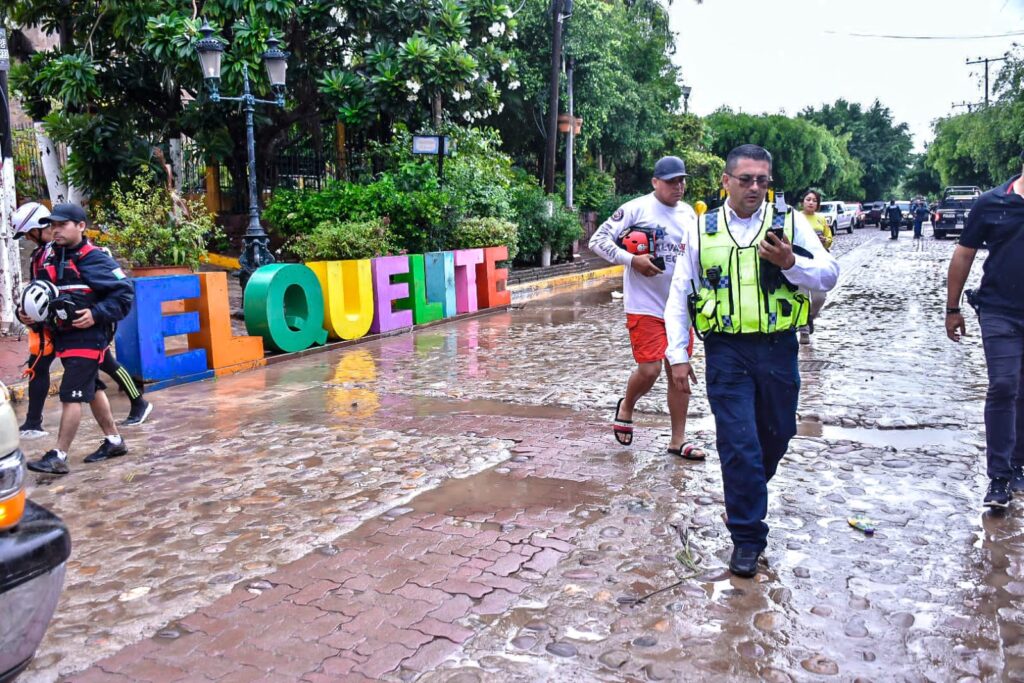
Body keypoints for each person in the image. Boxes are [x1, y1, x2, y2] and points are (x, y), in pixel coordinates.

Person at [663, 145, 840, 577]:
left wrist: (791, 262)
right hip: (726, 350)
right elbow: (679, 293)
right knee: (738, 442)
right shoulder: (702, 229)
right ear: (726, 181)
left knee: (778, 434)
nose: (755, 188)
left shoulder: (790, 223)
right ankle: (746, 536)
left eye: (762, 180)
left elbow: (830, 274)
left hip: (779, 348)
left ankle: (745, 495)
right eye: (746, 179)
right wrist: (678, 355)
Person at [589, 156, 705, 460]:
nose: (678, 186)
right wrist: (632, 261)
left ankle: (678, 440)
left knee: (678, 371)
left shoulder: (689, 215)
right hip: (644, 304)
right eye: (670, 181)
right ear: (655, 182)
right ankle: (627, 404)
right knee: (650, 367)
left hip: (679, 307)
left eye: (681, 180)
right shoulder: (636, 208)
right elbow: (597, 240)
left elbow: (695, 258)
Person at [12, 203, 153, 439]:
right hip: (58, 329)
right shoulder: (47, 255)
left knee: (99, 369)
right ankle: (112, 438)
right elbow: (40, 292)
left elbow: (121, 291)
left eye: (60, 225)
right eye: (53, 225)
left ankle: (59, 450)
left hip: (87, 331)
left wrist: (96, 314)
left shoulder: (87, 254)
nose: (55, 230)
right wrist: (24, 312)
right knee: (86, 379)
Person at [945, 153, 1024, 509]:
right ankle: (999, 476)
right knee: (1004, 384)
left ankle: (1019, 463)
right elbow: (964, 254)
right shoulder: (992, 203)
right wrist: (952, 308)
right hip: (999, 310)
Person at [796, 189, 831, 345]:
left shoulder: (821, 219)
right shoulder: (795, 218)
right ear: (803, 201)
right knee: (802, 297)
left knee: (819, 297)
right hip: (800, 262)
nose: (811, 202)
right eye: (808, 199)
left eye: (814, 200)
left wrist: (825, 240)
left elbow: (830, 238)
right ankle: (803, 331)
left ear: (818, 204)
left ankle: (810, 316)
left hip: (818, 262)